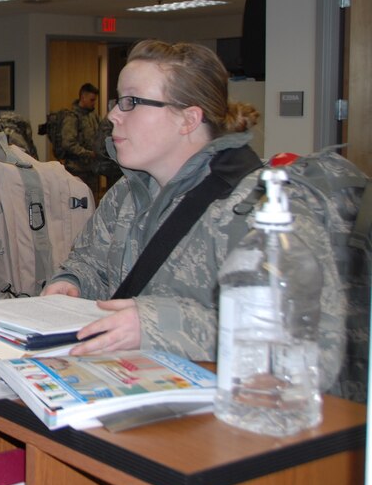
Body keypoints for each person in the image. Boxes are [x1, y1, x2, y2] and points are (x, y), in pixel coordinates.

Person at [41, 40, 343, 388]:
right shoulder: (126, 194)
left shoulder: (264, 208)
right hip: (136, 391)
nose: (112, 115)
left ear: (188, 119)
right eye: (116, 101)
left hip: (235, 415)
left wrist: (158, 325)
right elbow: (90, 263)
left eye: (131, 102)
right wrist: (72, 285)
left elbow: (314, 349)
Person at [58, 82, 102, 194]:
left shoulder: (93, 116)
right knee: (78, 205)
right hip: (77, 170)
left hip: (91, 169)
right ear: (83, 97)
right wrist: (88, 153)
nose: (94, 103)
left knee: (93, 203)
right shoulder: (72, 117)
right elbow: (68, 143)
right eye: (92, 100)